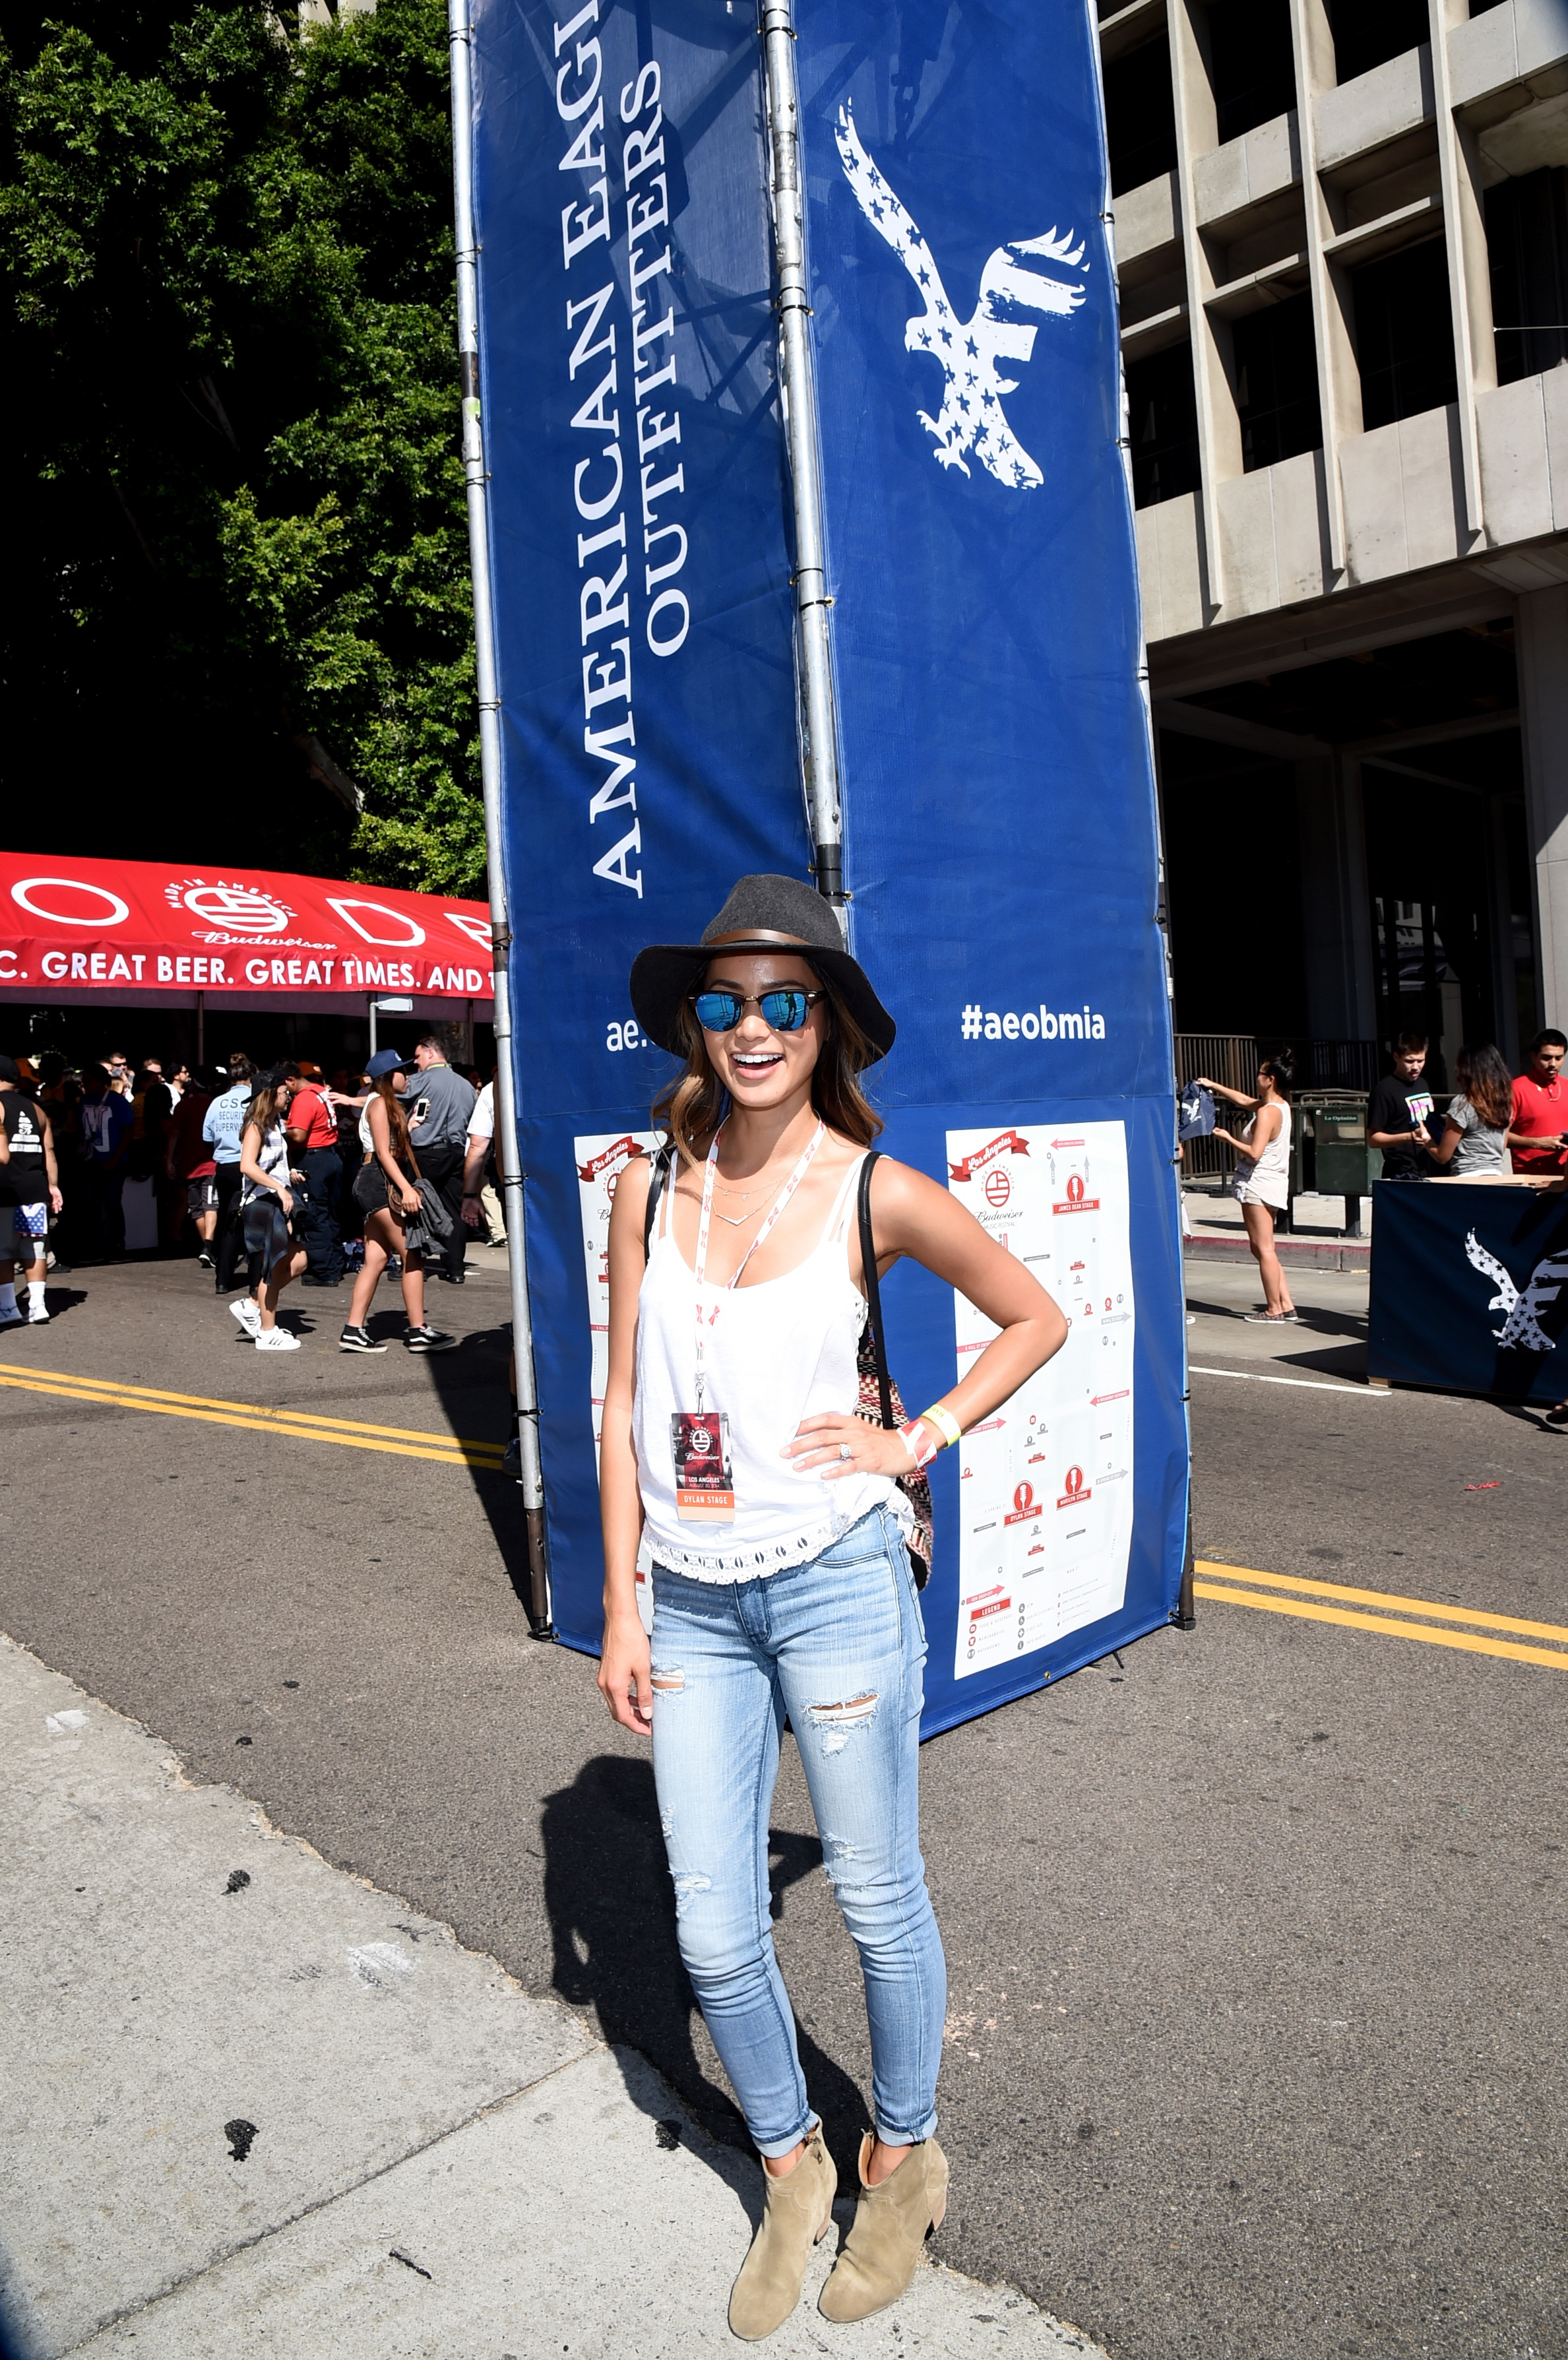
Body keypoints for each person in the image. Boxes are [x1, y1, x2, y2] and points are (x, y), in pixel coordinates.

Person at [598, 876, 1067, 2339]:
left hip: (837, 1588)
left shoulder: (878, 1189)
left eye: (783, 1001)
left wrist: (911, 1438)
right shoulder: (643, 1182)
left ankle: (901, 2154)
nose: (751, 1026)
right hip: (687, 1601)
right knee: (716, 1931)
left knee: (873, 1896)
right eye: (725, 1000)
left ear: (828, 1025)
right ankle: (792, 2165)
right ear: (696, 1020)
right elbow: (621, 1408)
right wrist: (619, 1603)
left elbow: (1035, 1316)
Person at [339, 1050, 456, 1353]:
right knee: (413, 1254)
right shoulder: (379, 1104)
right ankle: (418, 1330)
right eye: (403, 1071)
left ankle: (353, 1329)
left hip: (371, 1182)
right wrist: (406, 1188)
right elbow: (383, 1153)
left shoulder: (382, 1104)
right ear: (390, 1076)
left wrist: (409, 1126)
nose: (409, 1075)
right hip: (379, 1182)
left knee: (376, 1259)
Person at [1200, 1048, 1298, 1322]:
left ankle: (1274, 1308)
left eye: (1260, 1074)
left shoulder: (1268, 1113)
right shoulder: (1279, 1107)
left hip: (1259, 1183)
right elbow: (1244, 1100)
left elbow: (1254, 1153)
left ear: (1271, 1079)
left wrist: (1227, 1138)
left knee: (1262, 1247)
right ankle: (1286, 1303)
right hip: (1273, 1183)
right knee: (1264, 1247)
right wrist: (1214, 1085)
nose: (1256, 1078)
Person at [232, 1069, 307, 1351]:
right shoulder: (256, 1125)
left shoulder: (275, 1124)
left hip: (275, 1199)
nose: (289, 1097)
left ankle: (253, 1305)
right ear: (269, 1096)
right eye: (284, 1093)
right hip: (262, 1204)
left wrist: (289, 1176)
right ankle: (266, 1330)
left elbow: (269, 1165)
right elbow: (247, 1166)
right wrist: (279, 1188)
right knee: (272, 1266)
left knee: (297, 1259)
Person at [404, 1031, 476, 1283]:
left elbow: (392, 1094)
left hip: (426, 1152)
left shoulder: (422, 1080)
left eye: (417, 1056)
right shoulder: (467, 1086)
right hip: (457, 1152)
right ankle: (455, 1269)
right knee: (453, 1210)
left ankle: (415, 1265)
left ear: (430, 1053)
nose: (415, 1062)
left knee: (415, 1206)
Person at [0, 1056, 63, 1326]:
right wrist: (53, 1185)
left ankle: (7, 1307)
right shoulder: (37, 1109)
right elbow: (49, 1151)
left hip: (5, 1187)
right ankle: (38, 1305)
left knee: (3, 1249)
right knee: (34, 1246)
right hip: (35, 1187)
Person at [284, 1060, 346, 1286]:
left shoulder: (304, 1098)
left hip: (313, 1158)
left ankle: (323, 1270)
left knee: (314, 1214)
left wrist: (283, 1128)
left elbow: (299, 1135)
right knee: (331, 1213)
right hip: (331, 1155)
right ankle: (336, 1264)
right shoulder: (321, 1092)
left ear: (292, 1079)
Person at [204, 1055, 258, 1294]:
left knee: (228, 1221)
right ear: (251, 1077)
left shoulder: (217, 1103)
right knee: (255, 1222)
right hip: (249, 1165)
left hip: (224, 1167)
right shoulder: (254, 1102)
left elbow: (207, 1138)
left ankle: (223, 1278)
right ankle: (256, 1280)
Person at [1426, 1044, 1513, 1176]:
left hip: (1466, 1178)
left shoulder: (1462, 1103)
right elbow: (1501, 1147)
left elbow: (1443, 1156)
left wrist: (1426, 1140)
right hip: (1496, 1177)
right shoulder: (1504, 1104)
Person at [79, 1063, 134, 1260]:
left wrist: (116, 1158)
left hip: (113, 1160)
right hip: (90, 1160)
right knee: (91, 1204)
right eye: (83, 1081)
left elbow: (128, 1132)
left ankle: (118, 1245)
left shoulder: (117, 1102)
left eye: (88, 1081)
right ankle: (96, 1246)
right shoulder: (84, 1100)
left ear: (102, 1082)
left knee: (112, 1204)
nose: (84, 1085)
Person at [165, 1066, 217, 1265]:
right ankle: (209, 1247)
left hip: (189, 1165)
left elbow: (174, 1133)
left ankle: (207, 1247)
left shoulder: (184, 1106)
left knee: (197, 1208)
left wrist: (169, 1159)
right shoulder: (214, 1104)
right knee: (210, 1204)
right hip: (211, 1163)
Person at [1366, 1033, 1437, 1179]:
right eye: (1410, 1061)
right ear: (1396, 1057)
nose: (1416, 1067)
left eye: (1421, 1060)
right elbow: (1373, 1139)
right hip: (1400, 1172)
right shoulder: (1384, 1090)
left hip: (1429, 1166)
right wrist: (1407, 1137)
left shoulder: (1423, 1083)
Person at [1508, 1028, 1568, 1176]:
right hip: (1530, 1180)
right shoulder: (1516, 1089)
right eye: (1547, 1058)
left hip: (1565, 1179)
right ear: (1533, 1056)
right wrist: (1538, 1143)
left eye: (1559, 1058)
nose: (1553, 1064)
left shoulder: (1566, 1086)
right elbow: (1498, 1136)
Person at [459, 1069, 507, 1247]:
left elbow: (477, 1144)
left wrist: (469, 1195)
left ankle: (498, 1230)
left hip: (511, 1168)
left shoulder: (490, 1090)